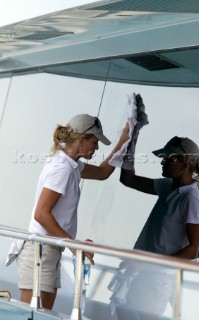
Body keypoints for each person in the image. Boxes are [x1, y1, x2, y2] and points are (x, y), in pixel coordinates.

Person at [16, 113, 128, 310]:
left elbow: (103, 173)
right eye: (94, 142)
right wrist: (75, 246)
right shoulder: (63, 169)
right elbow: (41, 214)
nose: (97, 147)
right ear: (81, 141)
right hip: (40, 252)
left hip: (49, 251)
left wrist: (123, 142)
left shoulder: (72, 165)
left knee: (44, 314)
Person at [117, 132, 199, 319]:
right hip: (142, 274)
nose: (162, 162)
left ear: (183, 164)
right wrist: (133, 139)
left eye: (168, 159)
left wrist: (146, 265)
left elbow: (197, 249)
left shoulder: (192, 199)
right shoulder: (168, 186)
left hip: (157, 281)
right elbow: (128, 179)